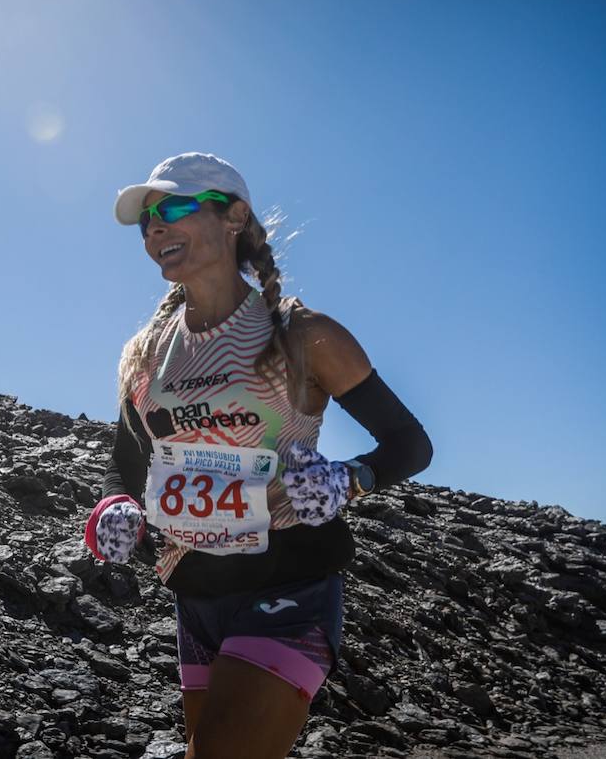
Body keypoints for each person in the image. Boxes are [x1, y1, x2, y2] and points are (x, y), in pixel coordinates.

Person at [83, 153, 433, 759]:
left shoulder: (302, 334)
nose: (156, 229)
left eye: (173, 209)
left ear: (235, 216)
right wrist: (117, 506)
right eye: (146, 223)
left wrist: (352, 478)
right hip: (192, 593)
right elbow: (129, 460)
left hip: (289, 584)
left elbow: (410, 443)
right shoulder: (144, 353)